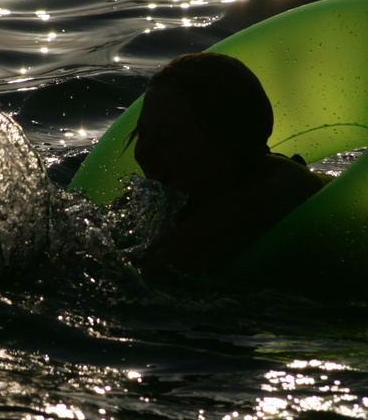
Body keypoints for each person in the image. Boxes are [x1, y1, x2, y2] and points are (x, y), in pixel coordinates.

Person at [127, 52, 326, 280]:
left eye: (166, 138)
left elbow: (152, 268)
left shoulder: (279, 190)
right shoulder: (195, 190)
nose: (142, 153)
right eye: (142, 133)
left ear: (224, 146)